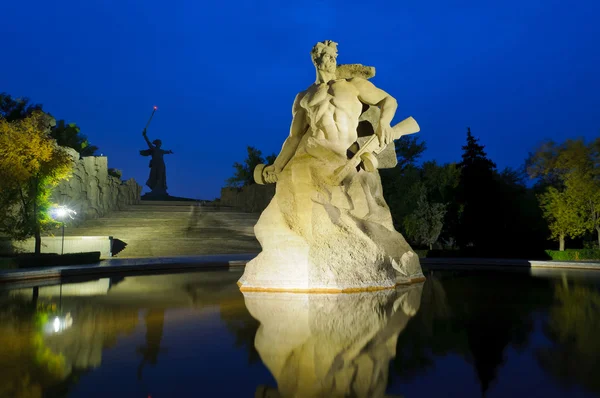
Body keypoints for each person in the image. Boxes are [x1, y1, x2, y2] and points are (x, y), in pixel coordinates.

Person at [139, 128, 173, 195]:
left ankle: (160, 189)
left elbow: (166, 151)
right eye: (159, 143)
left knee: (160, 176)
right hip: (155, 164)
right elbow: (148, 142)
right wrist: (145, 135)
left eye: (160, 143)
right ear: (157, 144)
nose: (160, 144)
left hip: (161, 165)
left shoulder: (161, 151)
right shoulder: (153, 149)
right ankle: (155, 189)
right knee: (154, 176)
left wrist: (169, 151)